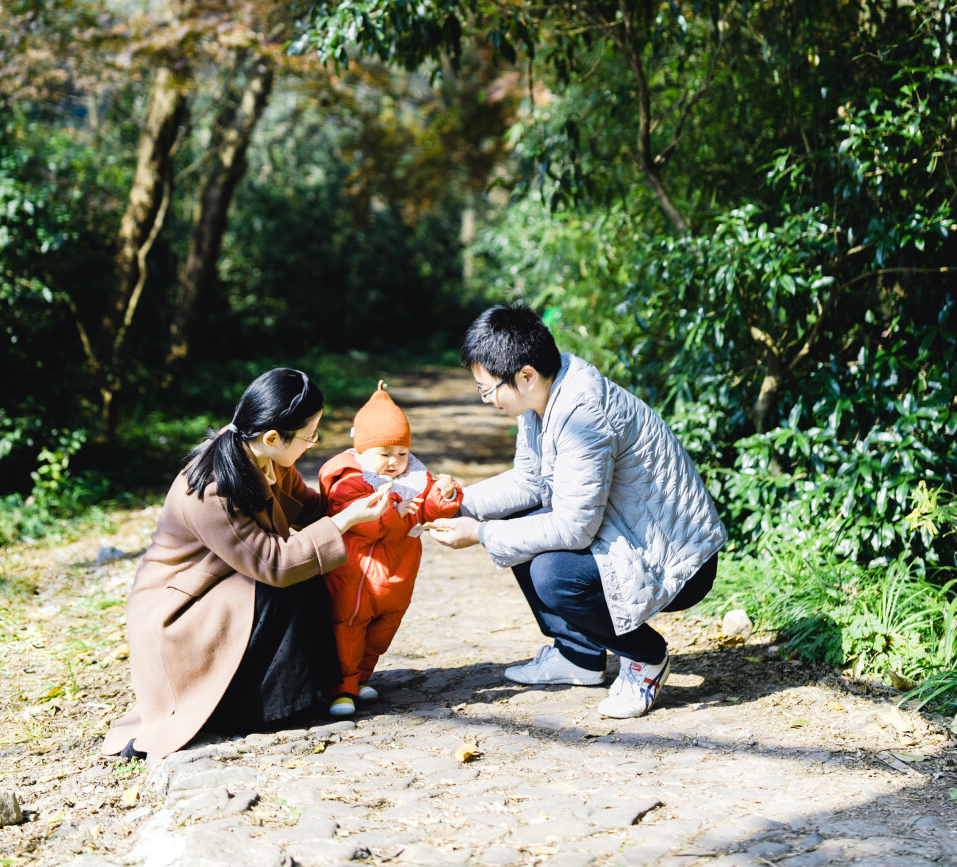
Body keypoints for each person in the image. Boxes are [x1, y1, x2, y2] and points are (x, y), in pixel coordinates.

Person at [428, 304, 726, 720]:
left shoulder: (582, 412)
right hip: (627, 535)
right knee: (518, 527)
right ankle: (579, 656)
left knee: (551, 573)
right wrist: (456, 500)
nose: (487, 399)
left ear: (526, 375)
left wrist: (479, 534)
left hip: (677, 557)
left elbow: (572, 530)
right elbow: (529, 483)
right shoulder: (542, 400)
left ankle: (645, 657)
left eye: (488, 388)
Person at [103, 368, 390, 759]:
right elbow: (274, 563)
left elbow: (308, 507)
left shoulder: (267, 456)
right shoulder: (211, 486)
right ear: (273, 437)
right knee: (289, 580)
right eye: (311, 435)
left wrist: (359, 493)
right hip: (181, 614)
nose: (314, 443)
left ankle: (316, 690)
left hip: (224, 587)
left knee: (312, 564)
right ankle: (261, 709)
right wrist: (343, 522)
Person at [318, 381, 463, 718]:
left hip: (398, 576)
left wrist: (444, 496)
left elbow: (426, 509)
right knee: (348, 629)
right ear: (362, 452)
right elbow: (360, 521)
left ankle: (362, 677)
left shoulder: (414, 477)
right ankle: (342, 687)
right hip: (357, 578)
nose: (395, 462)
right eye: (384, 454)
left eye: (402, 453)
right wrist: (395, 513)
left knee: (381, 633)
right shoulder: (350, 479)